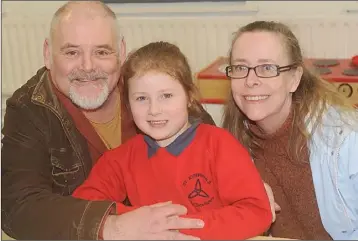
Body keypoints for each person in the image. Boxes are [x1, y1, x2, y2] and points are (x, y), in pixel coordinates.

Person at [1, 1, 215, 240]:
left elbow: (212, 149)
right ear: (47, 55)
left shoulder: (153, 84)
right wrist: (114, 227)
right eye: (72, 52)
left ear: (121, 53)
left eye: (102, 52)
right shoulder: (30, 108)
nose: (88, 66)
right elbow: (18, 208)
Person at [71, 41, 272, 240]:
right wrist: (141, 223)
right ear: (127, 105)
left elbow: (258, 211)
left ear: (189, 97)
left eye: (166, 96)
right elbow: (82, 207)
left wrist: (177, 229)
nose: (154, 110)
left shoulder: (220, 146)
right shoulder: (120, 159)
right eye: (141, 98)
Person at [222, 20, 358, 240]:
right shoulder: (230, 140)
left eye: (267, 68)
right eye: (240, 68)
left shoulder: (345, 139)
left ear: (294, 79)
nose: (251, 80)